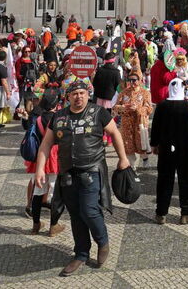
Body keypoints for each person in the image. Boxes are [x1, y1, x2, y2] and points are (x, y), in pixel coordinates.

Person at [35, 80, 129, 277]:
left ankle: (102, 241)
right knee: (76, 214)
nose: (78, 96)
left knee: (89, 210)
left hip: (92, 170)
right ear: (68, 96)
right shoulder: (59, 116)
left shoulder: (98, 112)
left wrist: (123, 158)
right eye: (74, 93)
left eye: (82, 93)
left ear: (88, 94)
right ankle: (81, 253)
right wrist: (40, 170)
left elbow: (114, 133)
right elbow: (46, 144)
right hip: (67, 173)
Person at [151, 78, 188, 225]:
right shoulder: (187, 106)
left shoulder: (161, 106)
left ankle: (161, 213)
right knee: (185, 179)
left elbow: (156, 127)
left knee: (164, 179)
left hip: (166, 148)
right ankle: (186, 212)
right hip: (184, 148)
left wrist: (154, 144)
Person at [22, 91, 64, 237]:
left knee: (38, 193)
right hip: (54, 156)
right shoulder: (57, 118)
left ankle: (35, 225)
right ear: (55, 105)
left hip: (39, 156)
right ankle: (53, 226)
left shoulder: (38, 118)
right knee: (55, 193)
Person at [112, 72, 153, 176]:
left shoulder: (145, 93)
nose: (132, 82)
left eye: (134, 80)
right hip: (126, 123)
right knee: (128, 144)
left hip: (140, 122)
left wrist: (138, 109)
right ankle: (132, 167)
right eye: (130, 80)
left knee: (141, 142)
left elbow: (149, 109)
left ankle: (145, 159)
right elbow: (115, 107)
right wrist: (123, 108)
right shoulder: (124, 92)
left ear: (139, 80)